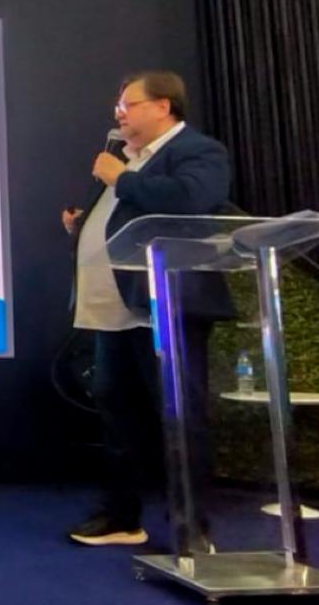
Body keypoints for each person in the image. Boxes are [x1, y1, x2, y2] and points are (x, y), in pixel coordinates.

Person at [62, 70, 234, 546]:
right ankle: (121, 517)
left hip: (165, 307)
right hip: (114, 311)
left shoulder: (198, 151)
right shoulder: (130, 159)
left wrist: (121, 179)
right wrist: (85, 226)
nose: (118, 114)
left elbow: (192, 201)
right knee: (118, 416)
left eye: (128, 105)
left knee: (179, 416)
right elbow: (128, 217)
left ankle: (192, 529)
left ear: (163, 106)